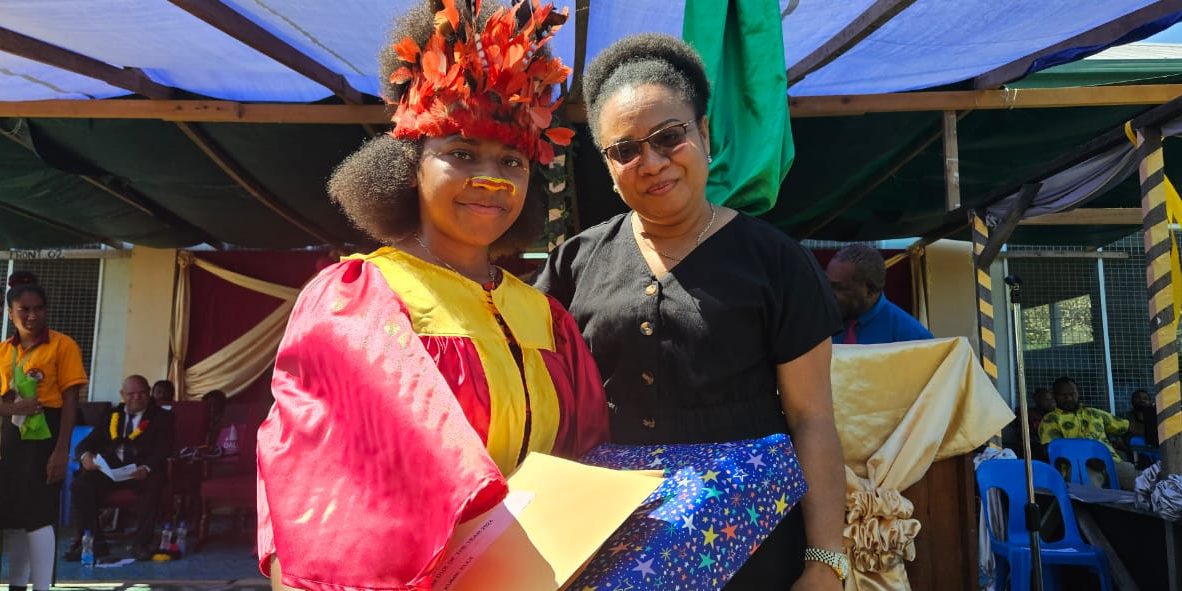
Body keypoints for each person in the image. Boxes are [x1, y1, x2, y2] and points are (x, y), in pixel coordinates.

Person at [257, 2, 609, 589]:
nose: (491, 179)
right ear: (409, 167)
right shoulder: (359, 297)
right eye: (462, 154)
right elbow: (310, 480)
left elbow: (589, 460)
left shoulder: (545, 316)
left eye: (512, 161)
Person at [536, 34, 848, 590]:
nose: (651, 162)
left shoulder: (775, 262)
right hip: (615, 545)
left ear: (703, 133)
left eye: (669, 137)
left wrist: (825, 562)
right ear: (609, 166)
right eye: (625, 149)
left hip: (751, 538)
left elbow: (812, 418)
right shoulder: (574, 265)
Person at [0, 271, 85, 591]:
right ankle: (17, 584)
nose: (32, 315)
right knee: (12, 517)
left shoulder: (63, 345)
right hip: (9, 439)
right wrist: (12, 409)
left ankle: (43, 587)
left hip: (46, 435)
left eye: (39, 308)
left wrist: (62, 450)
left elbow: (70, 400)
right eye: (24, 309)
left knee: (38, 514)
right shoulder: (3, 351)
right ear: (10, 313)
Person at [67, 374, 175, 561]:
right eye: (131, 394)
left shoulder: (162, 417)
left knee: (154, 485)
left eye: (141, 393)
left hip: (141, 471)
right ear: (122, 394)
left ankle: (141, 544)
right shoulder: (111, 415)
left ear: (149, 393)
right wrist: (85, 456)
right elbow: (87, 443)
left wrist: (147, 468)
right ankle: (96, 543)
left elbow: (164, 448)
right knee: (80, 485)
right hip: (110, 470)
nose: (136, 398)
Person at [1038, 376, 1138, 489]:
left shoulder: (1094, 413)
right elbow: (1051, 450)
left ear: (1078, 393)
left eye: (1072, 394)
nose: (1069, 398)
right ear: (1055, 396)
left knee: (1144, 485)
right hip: (1079, 467)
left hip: (1111, 462)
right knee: (1090, 494)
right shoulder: (1051, 419)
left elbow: (1128, 427)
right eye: (1063, 395)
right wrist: (1088, 459)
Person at [826, 244, 933, 345]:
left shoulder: (913, 337)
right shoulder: (822, 324)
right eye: (827, 284)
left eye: (840, 288)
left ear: (871, 290)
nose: (828, 294)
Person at [1027, 386, 1056, 460]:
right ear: (1037, 400)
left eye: (1052, 399)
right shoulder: (1029, 415)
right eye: (1047, 399)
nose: (1051, 402)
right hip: (1037, 452)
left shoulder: (1058, 415)